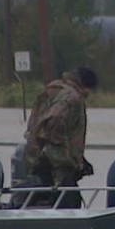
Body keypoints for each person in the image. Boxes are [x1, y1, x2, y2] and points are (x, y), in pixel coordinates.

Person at [20, 66, 98, 208]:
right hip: (57, 164)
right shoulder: (72, 98)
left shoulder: (55, 89)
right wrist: (59, 146)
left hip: (38, 158)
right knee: (69, 204)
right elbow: (55, 118)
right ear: (86, 86)